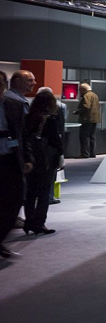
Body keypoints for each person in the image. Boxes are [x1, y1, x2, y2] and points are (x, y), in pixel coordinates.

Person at [0, 71, 33, 260]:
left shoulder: (15, 105)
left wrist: (28, 158)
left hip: (11, 160)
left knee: (14, 201)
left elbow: (23, 135)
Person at [22, 88, 62, 236]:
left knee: (31, 192)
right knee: (44, 192)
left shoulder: (28, 117)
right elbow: (55, 142)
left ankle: (29, 222)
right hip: (46, 160)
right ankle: (39, 223)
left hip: (31, 159)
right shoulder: (49, 119)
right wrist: (60, 156)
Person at [75, 81, 99, 158]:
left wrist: (77, 111)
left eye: (80, 90)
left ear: (83, 89)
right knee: (92, 137)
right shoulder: (95, 95)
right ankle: (92, 153)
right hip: (94, 119)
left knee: (84, 137)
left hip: (87, 119)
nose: (79, 92)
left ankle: (85, 154)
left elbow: (86, 107)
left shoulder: (86, 95)